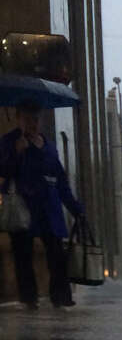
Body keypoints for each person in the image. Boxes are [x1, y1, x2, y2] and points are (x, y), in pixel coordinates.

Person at [0, 100, 85, 309]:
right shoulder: (9, 142)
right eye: (28, 119)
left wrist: (76, 210)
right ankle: (29, 298)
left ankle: (61, 296)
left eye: (36, 119)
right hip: (23, 207)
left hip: (49, 207)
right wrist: (17, 153)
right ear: (18, 118)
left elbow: (61, 180)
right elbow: (4, 171)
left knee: (56, 252)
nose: (32, 124)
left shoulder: (48, 146)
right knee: (23, 254)